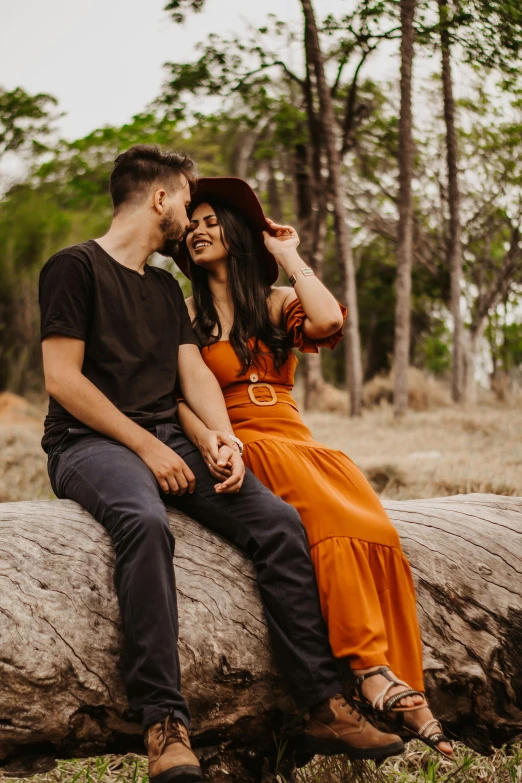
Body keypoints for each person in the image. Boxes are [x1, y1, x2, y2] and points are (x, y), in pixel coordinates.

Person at [38, 146, 405, 783]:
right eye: (184, 198)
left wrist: (222, 440)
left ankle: (322, 703)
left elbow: (192, 373)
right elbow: (63, 381)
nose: (188, 212)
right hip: (87, 442)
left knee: (278, 523)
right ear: (160, 199)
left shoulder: (163, 286)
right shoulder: (75, 267)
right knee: (145, 523)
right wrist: (148, 448)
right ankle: (164, 724)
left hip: (170, 436)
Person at [175, 176, 453, 760]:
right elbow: (174, 395)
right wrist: (214, 440)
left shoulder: (274, 301)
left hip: (303, 442)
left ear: (237, 231)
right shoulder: (186, 319)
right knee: (325, 524)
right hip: (245, 441)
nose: (198, 231)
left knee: (377, 531)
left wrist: (288, 253)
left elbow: (327, 322)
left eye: (209, 220)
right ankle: (371, 669)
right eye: (190, 225)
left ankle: (407, 686)